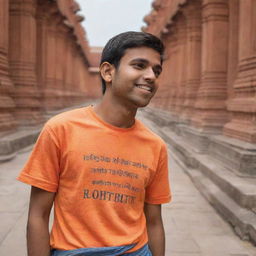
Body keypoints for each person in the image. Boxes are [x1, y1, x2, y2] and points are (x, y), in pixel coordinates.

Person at [17, 31, 171, 256]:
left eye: (156, 71)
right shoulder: (61, 129)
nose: (151, 76)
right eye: (139, 66)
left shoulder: (155, 146)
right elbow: (38, 216)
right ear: (108, 72)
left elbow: (154, 222)